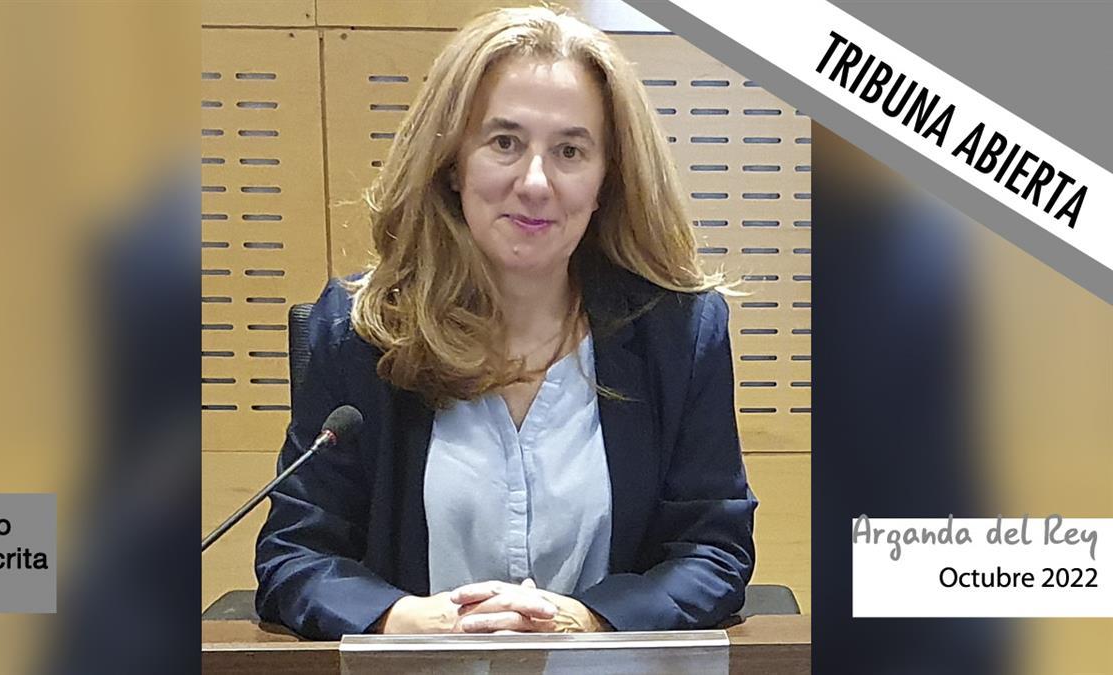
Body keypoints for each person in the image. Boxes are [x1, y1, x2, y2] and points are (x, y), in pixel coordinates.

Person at [254, 6, 756, 640]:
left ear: (606, 179)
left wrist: (586, 620)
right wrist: (411, 620)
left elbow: (712, 550)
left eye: (570, 150)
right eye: (504, 143)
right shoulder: (357, 331)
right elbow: (295, 554)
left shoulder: (679, 333)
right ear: (452, 162)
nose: (536, 182)